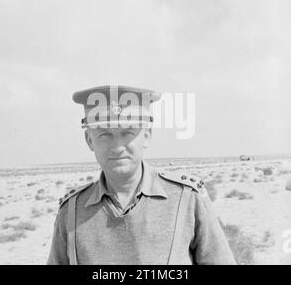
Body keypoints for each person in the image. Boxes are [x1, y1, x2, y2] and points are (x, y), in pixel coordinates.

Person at [47, 85, 236, 265]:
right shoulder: (71, 212)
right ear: (89, 140)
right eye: (105, 135)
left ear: (146, 136)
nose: (118, 147)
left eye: (128, 133)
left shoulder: (186, 199)